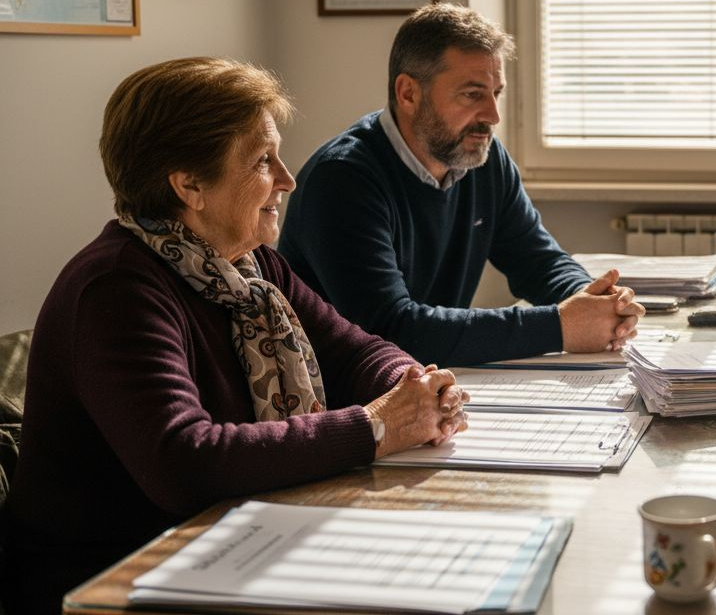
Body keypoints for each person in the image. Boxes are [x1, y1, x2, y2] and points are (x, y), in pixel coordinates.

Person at [1, 58, 470, 613]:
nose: (287, 180)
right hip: (110, 579)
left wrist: (414, 386)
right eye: (262, 161)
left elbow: (352, 350)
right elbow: (185, 461)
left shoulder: (251, 265)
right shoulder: (117, 289)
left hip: (222, 543)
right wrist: (376, 426)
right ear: (189, 184)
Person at [278, 3, 642, 366]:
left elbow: (538, 261)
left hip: (431, 381)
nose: (493, 116)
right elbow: (392, 328)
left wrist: (594, 299)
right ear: (408, 94)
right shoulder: (342, 179)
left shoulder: (484, 159)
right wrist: (559, 326)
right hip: (339, 391)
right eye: (472, 94)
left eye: (496, 93)